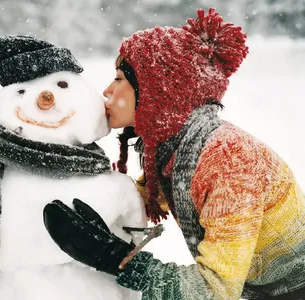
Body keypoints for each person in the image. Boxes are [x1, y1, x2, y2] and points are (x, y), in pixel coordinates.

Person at [43, 8, 305, 300]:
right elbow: (140, 199)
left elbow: (213, 290)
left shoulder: (227, 160)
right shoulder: (177, 151)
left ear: (157, 91)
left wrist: (115, 258)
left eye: (119, 79)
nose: (106, 91)